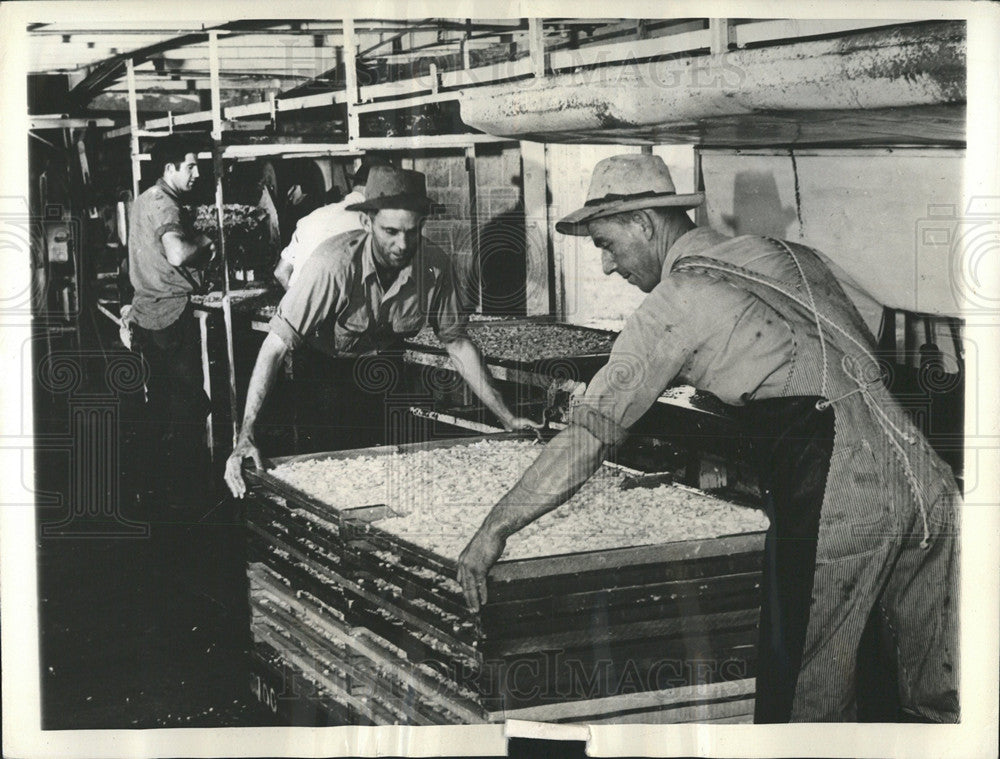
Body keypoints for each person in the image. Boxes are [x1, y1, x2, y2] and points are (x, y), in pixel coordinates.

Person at [456, 154, 959, 724]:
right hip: (925, 477)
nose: (605, 266)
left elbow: (587, 437)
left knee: (801, 692)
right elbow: (854, 344)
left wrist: (494, 529)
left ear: (645, 222)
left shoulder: (677, 298)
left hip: (840, 486)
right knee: (920, 698)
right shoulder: (781, 254)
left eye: (605, 244)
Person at [225, 166, 539, 498]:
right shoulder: (332, 266)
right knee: (328, 480)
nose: (402, 244)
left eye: (413, 231)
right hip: (326, 377)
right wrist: (246, 432)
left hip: (387, 370)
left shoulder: (434, 265)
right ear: (366, 223)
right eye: (390, 231)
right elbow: (274, 347)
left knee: (391, 480)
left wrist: (507, 416)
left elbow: (457, 343)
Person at [126, 133, 215, 505]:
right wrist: (207, 243)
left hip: (146, 313)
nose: (196, 172)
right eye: (191, 165)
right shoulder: (166, 204)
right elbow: (177, 253)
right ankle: (189, 493)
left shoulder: (143, 199)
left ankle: (155, 490)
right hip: (171, 316)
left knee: (160, 404)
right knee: (189, 407)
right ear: (169, 168)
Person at [273, 160, 383, 290]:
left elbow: (280, 272)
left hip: (299, 304)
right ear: (377, 191)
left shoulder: (311, 217)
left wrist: (300, 304)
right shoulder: (368, 224)